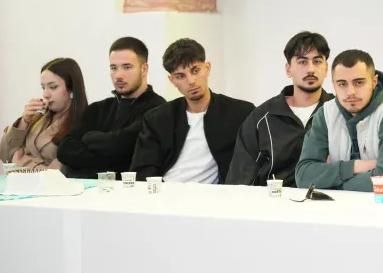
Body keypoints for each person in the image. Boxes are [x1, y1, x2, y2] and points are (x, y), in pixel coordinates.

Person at [130, 38, 255, 183]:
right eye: (180, 76)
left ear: (207, 68)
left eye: (195, 71)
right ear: (172, 80)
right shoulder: (157, 118)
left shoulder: (240, 113)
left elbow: (253, 164)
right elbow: (143, 170)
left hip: (213, 195)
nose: (191, 81)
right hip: (164, 192)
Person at [295, 49, 383, 192]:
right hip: (340, 204)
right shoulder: (325, 114)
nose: (350, 92)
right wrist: (355, 166)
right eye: (342, 84)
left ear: (374, 82)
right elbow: (303, 176)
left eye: (359, 83)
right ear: (334, 85)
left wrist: (330, 183)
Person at [226, 32, 334, 187]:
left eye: (317, 61)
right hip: (274, 199)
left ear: (326, 68)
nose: (311, 69)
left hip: (327, 197)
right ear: (288, 69)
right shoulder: (263, 118)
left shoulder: (338, 112)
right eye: (302, 62)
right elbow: (239, 179)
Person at [57, 37, 165, 177]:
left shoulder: (158, 109)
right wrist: (111, 158)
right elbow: (64, 150)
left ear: (144, 69)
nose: (118, 75)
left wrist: (88, 138)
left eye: (127, 67)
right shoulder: (98, 108)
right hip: (81, 187)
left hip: (125, 189)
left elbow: (125, 147)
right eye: (114, 68)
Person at [0, 58, 88, 170]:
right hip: (22, 180)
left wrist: (19, 164)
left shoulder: (84, 122)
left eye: (53, 87)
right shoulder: (37, 116)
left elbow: (58, 171)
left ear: (72, 89)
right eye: (43, 87)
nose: (45, 94)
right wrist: (23, 122)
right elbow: (5, 156)